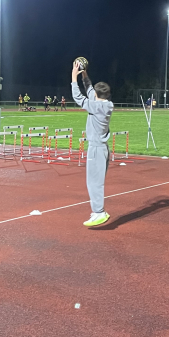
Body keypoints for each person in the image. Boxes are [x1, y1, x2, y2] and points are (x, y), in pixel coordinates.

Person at [71, 59, 114, 227]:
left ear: (97, 95)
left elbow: (78, 97)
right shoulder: (105, 104)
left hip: (96, 149)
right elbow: (89, 91)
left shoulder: (96, 107)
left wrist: (73, 77)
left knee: (94, 183)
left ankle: (99, 212)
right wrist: (84, 74)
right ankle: (98, 211)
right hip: (102, 149)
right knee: (97, 181)